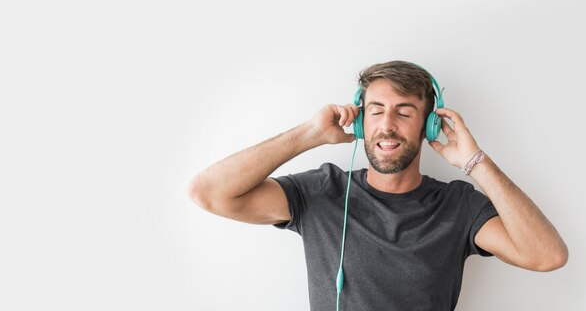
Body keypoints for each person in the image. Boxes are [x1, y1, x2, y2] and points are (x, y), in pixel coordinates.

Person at [187, 61, 568, 311]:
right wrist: (310, 134)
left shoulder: (457, 206)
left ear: (428, 126)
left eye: (404, 113)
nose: (388, 125)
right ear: (360, 121)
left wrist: (474, 161)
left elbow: (547, 256)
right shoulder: (322, 191)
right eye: (376, 111)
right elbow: (209, 192)